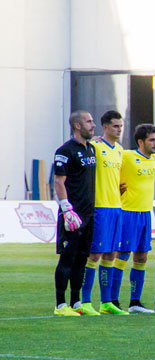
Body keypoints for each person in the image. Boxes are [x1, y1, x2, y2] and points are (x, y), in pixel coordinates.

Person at [80, 110, 127, 315]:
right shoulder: (95, 147)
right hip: (99, 207)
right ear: (105, 127)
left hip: (116, 207)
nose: (119, 129)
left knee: (111, 253)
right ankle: (85, 301)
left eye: (121, 126)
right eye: (115, 126)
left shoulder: (119, 150)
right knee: (94, 254)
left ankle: (107, 302)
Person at [52, 110, 97, 316]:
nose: (93, 125)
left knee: (82, 258)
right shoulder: (65, 151)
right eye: (88, 122)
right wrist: (66, 208)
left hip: (89, 213)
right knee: (67, 258)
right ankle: (61, 305)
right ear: (77, 126)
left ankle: (76, 302)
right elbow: (58, 181)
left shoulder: (91, 150)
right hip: (73, 214)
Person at [112, 124, 155, 313]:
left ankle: (135, 302)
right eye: (152, 140)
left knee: (142, 256)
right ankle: (112, 300)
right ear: (140, 142)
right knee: (122, 255)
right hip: (128, 212)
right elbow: (108, 167)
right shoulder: (127, 155)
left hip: (145, 213)